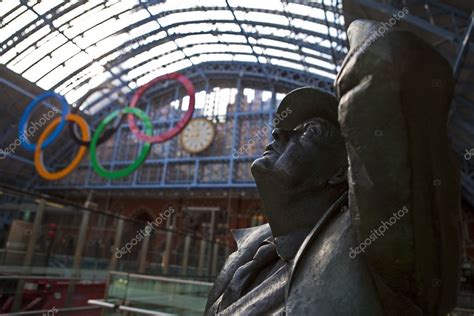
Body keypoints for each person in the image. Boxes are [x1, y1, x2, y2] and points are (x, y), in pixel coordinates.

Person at [205, 19, 461, 315]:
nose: (278, 134)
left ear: (342, 171)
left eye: (309, 130)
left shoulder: (369, 251)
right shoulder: (249, 254)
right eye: (280, 129)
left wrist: (364, 35)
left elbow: (392, 62)